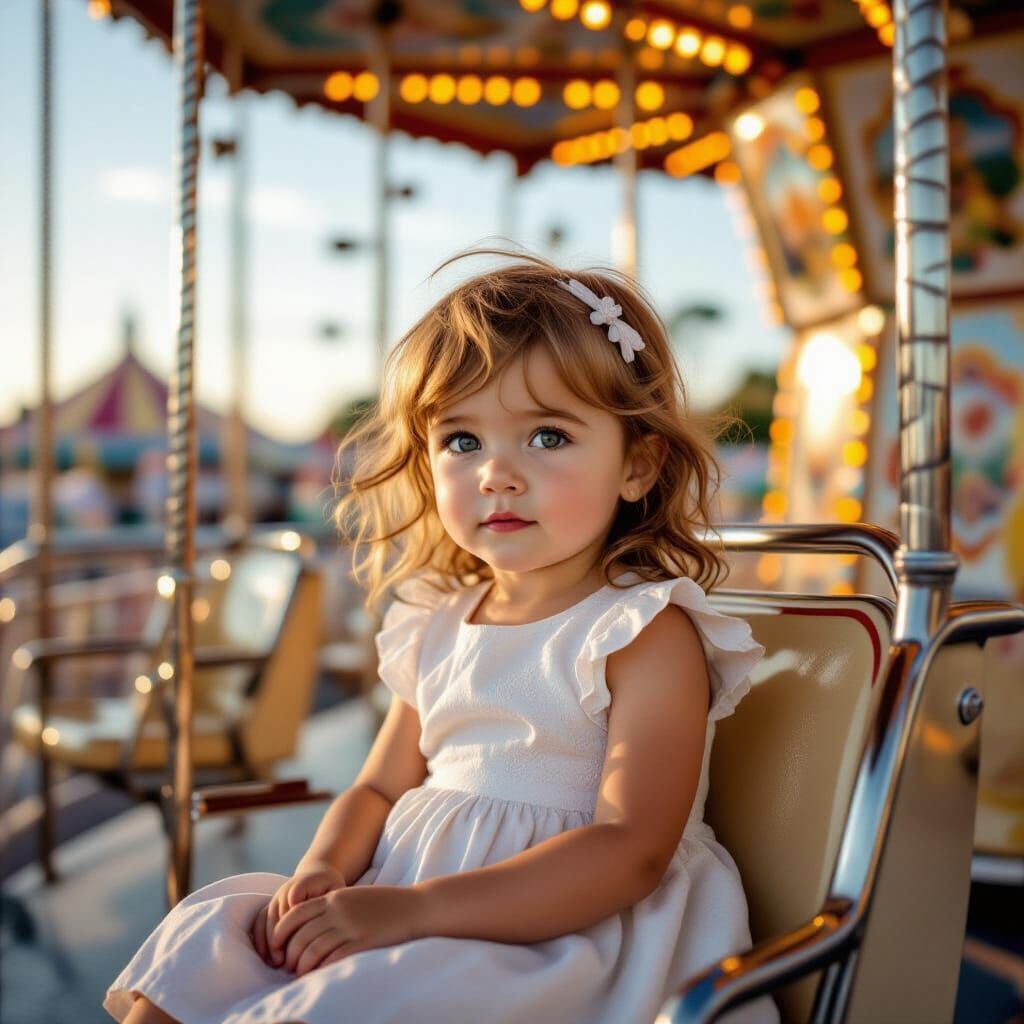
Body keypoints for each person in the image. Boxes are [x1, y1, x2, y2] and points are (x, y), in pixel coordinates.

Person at [104, 249, 778, 1024]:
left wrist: (416, 911)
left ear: (639, 463)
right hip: (408, 894)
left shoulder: (638, 631)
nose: (496, 472)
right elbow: (379, 786)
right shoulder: (438, 619)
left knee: (343, 1003)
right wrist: (325, 868)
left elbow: (632, 849)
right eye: (462, 441)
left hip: (567, 929)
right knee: (212, 931)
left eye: (548, 436)